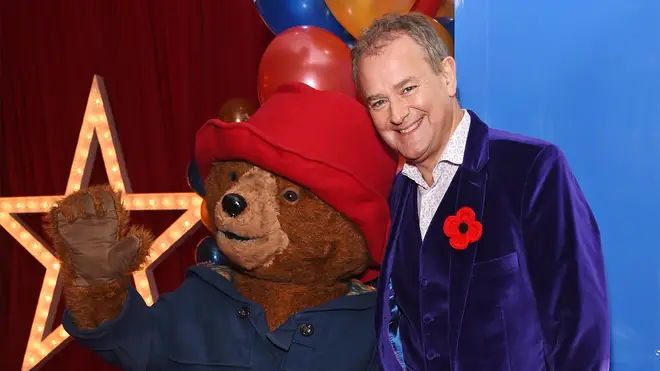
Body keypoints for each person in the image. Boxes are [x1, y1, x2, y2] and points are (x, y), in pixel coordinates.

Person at [351, 12, 610, 371]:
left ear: (447, 76)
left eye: (408, 88)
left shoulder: (532, 168)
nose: (397, 114)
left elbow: (579, 328)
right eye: (378, 101)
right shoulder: (401, 191)